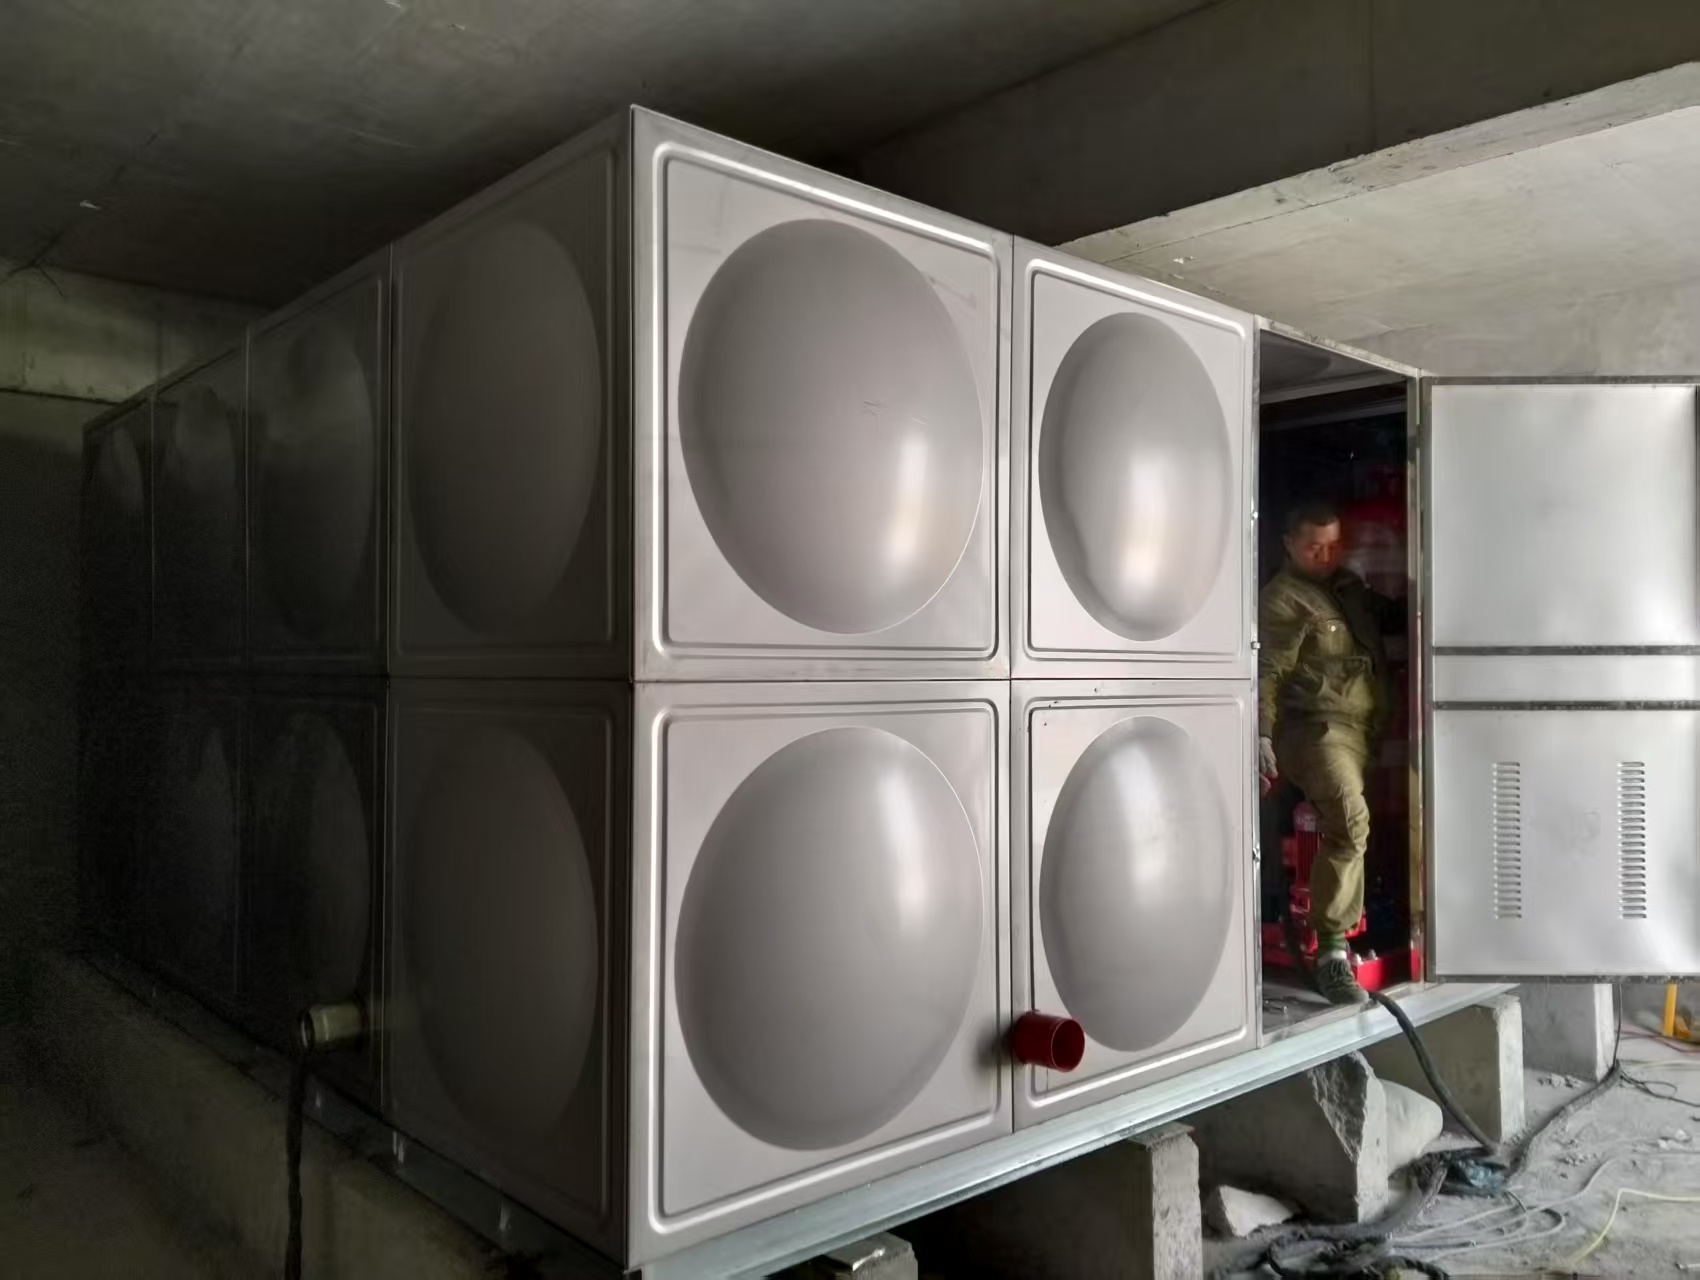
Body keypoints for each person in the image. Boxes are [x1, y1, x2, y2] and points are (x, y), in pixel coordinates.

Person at [1258, 499, 1395, 1005]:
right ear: (1289, 545)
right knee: (1349, 821)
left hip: (1366, 730)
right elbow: (1267, 672)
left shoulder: (1346, 591)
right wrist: (1262, 734)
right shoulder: (1283, 600)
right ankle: (1332, 956)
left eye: (1334, 545)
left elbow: (1395, 615)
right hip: (1316, 731)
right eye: (1314, 546)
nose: (1325, 555)